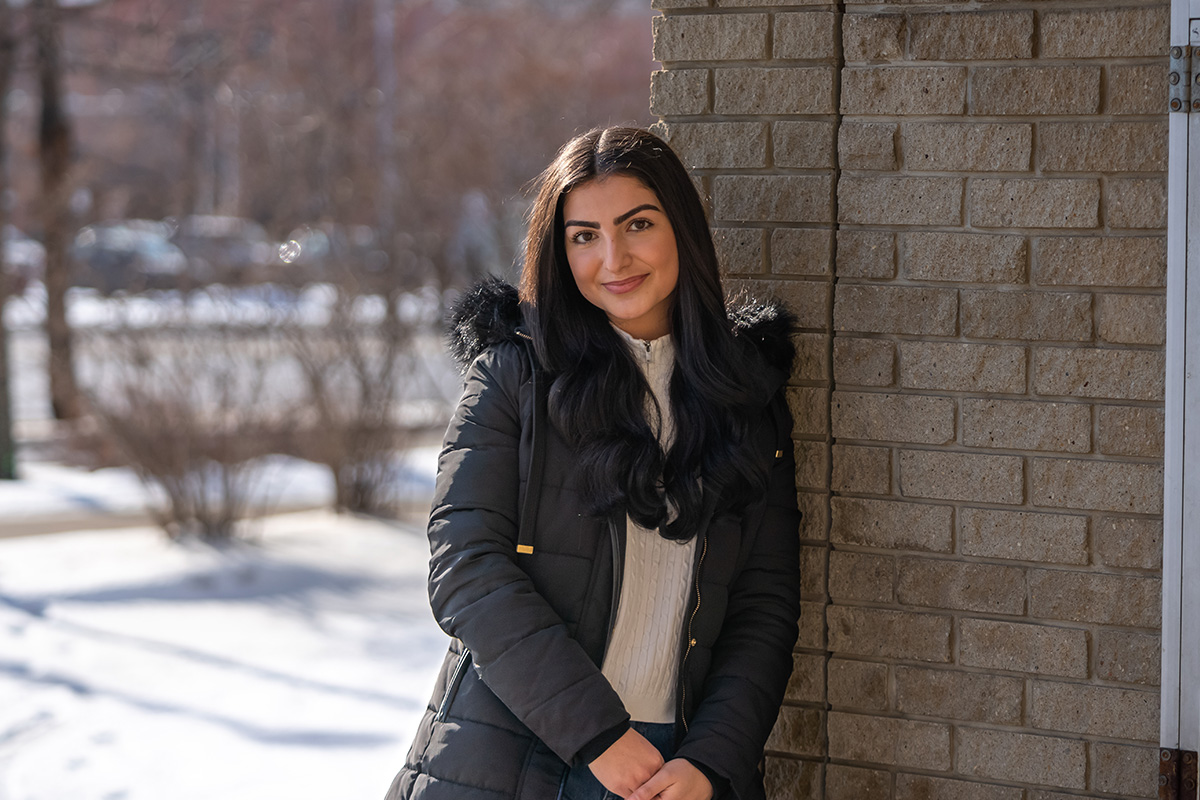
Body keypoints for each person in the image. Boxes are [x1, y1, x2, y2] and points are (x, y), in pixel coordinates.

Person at [385, 126, 801, 800]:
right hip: (519, 752)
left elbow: (765, 605)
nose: (613, 257)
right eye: (584, 235)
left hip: (681, 772)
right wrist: (598, 734)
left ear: (682, 231)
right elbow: (467, 569)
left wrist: (712, 761)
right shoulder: (514, 376)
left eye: (637, 224)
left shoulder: (746, 400)